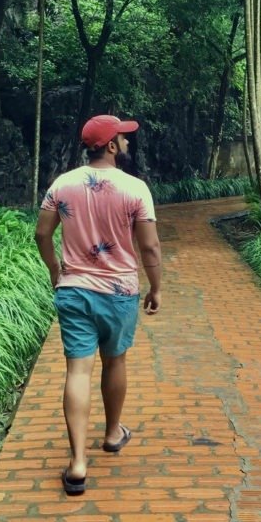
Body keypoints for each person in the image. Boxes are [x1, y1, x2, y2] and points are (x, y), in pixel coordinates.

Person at [35, 114, 162, 496]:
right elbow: (150, 247)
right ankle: (111, 433)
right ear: (110, 146)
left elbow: (42, 233)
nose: (127, 142)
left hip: (73, 290)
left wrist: (55, 269)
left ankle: (77, 463)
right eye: (122, 137)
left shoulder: (62, 184)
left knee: (78, 370)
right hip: (119, 292)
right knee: (116, 360)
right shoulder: (135, 188)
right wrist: (155, 287)